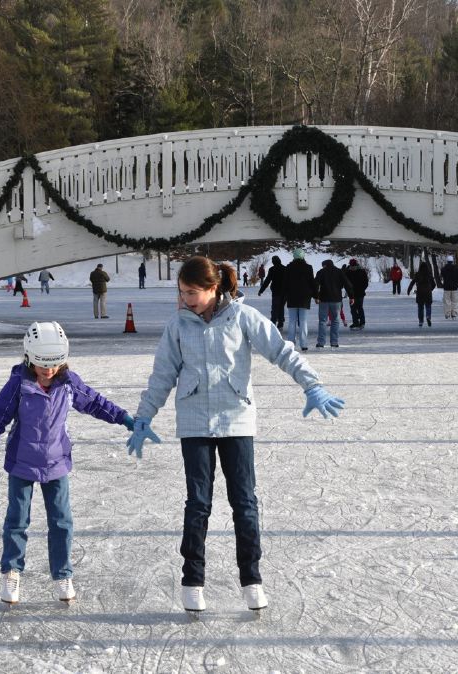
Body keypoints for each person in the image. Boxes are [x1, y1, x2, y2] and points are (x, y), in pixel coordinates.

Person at [126, 256, 345, 614]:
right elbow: (162, 375)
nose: (185, 300)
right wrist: (143, 417)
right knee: (198, 503)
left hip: (236, 421)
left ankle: (251, 579)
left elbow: (281, 351)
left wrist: (312, 386)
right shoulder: (178, 325)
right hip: (194, 422)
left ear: (213, 289)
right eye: (182, 293)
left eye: (192, 292)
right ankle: (192, 581)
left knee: (244, 503)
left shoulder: (243, 317)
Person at [0, 321, 134, 605]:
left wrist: (124, 418)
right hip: (21, 462)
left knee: (61, 522)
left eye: (54, 365)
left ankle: (62, 575)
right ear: (29, 358)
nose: (48, 372)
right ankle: (12, 572)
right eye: (42, 365)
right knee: (17, 521)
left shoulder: (68, 384)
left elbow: (95, 403)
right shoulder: (18, 385)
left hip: (57, 462)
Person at [313, 259, 354, 348]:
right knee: (335, 321)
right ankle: (334, 342)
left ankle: (321, 342)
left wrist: (316, 296)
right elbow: (347, 284)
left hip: (324, 300)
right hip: (336, 300)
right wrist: (351, 296)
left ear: (325, 265)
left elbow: (315, 284)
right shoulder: (339, 272)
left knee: (322, 321)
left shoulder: (321, 272)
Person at [284, 248, 316, 351]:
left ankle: (290, 343)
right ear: (303, 256)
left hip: (292, 297)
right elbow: (312, 283)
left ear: (294, 257)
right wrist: (316, 296)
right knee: (303, 321)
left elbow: (285, 283)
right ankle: (304, 344)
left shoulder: (288, 267)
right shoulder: (308, 268)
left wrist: (284, 296)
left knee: (292, 321)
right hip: (304, 298)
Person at [258, 255, 286, 328]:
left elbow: (267, 281)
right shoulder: (284, 268)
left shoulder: (272, 269)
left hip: (276, 292)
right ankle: (280, 322)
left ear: (273, 262)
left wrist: (261, 291)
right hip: (284, 292)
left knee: (275, 307)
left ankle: (273, 322)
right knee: (281, 307)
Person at [407, 262, 437, 327]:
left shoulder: (418, 274)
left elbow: (412, 283)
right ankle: (428, 316)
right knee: (428, 306)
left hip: (420, 293)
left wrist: (409, 290)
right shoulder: (429, 274)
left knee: (420, 308)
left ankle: (421, 321)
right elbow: (434, 284)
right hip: (428, 293)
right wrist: (430, 289)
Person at [346, 259, 369, 329]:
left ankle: (362, 323)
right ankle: (355, 322)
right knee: (353, 309)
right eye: (352, 266)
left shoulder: (361, 271)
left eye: (354, 266)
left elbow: (366, 282)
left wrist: (362, 289)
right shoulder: (348, 271)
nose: (353, 267)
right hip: (351, 294)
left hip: (360, 293)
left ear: (356, 265)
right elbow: (345, 282)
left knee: (359, 308)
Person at [440, 255, 458, 319]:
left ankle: (447, 314)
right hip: (454, 288)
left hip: (446, 288)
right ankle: (454, 314)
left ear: (447, 261)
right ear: (452, 261)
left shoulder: (443, 269)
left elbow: (441, 276)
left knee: (447, 301)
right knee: (455, 301)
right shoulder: (456, 269)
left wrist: (442, 284)